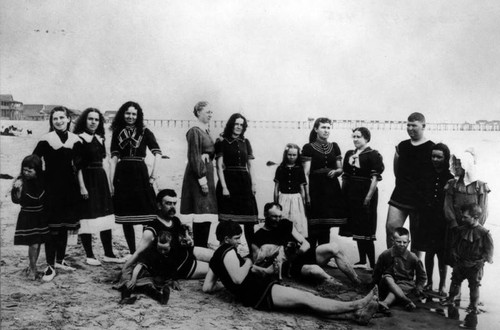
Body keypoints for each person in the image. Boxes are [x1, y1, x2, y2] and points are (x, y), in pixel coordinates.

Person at [203, 220, 379, 325]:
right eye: (236, 239)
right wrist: (249, 258)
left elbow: (207, 287)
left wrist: (260, 271)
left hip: (254, 292)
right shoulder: (228, 251)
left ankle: (356, 315)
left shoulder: (216, 258)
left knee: (305, 305)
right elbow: (238, 279)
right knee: (307, 299)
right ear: (226, 239)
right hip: (257, 292)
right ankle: (356, 305)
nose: (239, 242)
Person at [252, 203, 361, 286]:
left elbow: (305, 243)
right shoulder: (258, 236)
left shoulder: (285, 223)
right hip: (290, 266)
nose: (278, 220)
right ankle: (338, 286)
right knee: (315, 270)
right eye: (274, 217)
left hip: (300, 254)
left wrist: (298, 253)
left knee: (334, 247)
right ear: (265, 215)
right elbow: (257, 262)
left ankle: (357, 281)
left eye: (279, 216)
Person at [33, 106, 81, 282]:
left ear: (68, 119)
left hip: (70, 189)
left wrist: (83, 187)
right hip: (51, 189)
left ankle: (60, 260)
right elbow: (34, 163)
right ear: (51, 121)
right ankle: (50, 266)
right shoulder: (46, 140)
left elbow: (80, 166)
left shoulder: (76, 140)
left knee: (64, 227)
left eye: (62, 118)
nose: (59, 121)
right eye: (55, 119)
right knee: (52, 228)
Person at [122, 189, 213, 281]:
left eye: (174, 203)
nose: (172, 207)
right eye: (168, 203)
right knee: (216, 269)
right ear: (159, 205)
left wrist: (188, 238)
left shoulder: (175, 220)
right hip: (178, 266)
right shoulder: (152, 228)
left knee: (216, 256)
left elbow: (182, 239)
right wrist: (125, 269)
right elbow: (138, 253)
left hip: (185, 252)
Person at [73, 108, 124, 265]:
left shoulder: (100, 139)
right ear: (84, 120)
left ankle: (109, 253)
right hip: (87, 179)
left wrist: (110, 185)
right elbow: (77, 166)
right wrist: (82, 187)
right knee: (87, 217)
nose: (93, 122)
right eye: (90, 119)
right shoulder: (79, 139)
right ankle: (89, 255)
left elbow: (104, 163)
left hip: (100, 179)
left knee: (105, 218)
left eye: (96, 119)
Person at [110, 101, 162, 254]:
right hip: (123, 175)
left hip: (140, 174)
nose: (130, 117)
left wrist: (153, 176)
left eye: (134, 114)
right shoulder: (117, 131)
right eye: (127, 113)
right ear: (122, 114)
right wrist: (111, 182)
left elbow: (157, 153)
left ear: (138, 116)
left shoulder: (145, 131)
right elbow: (113, 158)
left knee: (147, 215)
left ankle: (144, 250)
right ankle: (133, 252)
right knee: (127, 217)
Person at [386, 113, 435, 253]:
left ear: (423, 126)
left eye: (414, 125)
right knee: (391, 229)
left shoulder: (431, 147)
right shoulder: (402, 146)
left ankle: (414, 269)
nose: (410, 128)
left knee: (417, 237)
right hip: (400, 194)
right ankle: (392, 263)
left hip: (421, 198)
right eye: (408, 125)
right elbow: (396, 171)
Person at [342, 127, 384, 270]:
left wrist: (368, 198)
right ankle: (361, 261)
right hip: (352, 193)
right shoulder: (350, 153)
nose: (355, 139)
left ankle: (372, 264)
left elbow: (374, 179)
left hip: (366, 192)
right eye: (353, 136)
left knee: (366, 228)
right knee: (357, 227)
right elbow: (346, 175)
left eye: (358, 136)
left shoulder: (373, 155)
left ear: (366, 138)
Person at [215, 113, 258, 253]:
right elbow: (219, 167)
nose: (239, 127)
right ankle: (225, 253)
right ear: (231, 125)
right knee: (227, 222)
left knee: (250, 221)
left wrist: (254, 184)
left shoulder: (246, 142)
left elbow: (250, 166)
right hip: (229, 182)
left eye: (241, 124)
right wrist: (224, 187)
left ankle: (253, 254)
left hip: (244, 183)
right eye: (236, 124)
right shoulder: (222, 141)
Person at [302, 117, 347, 247]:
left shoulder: (334, 146)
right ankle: (311, 256)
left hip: (331, 189)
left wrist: (337, 172)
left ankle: (322, 254)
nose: (326, 130)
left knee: (326, 224)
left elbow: (340, 168)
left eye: (328, 128)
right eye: (323, 127)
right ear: (316, 129)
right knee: (313, 223)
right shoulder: (309, 147)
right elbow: (306, 173)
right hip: (315, 188)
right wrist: (307, 194)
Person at [441, 204, 493, 314]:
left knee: (474, 286)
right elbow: (454, 245)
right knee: (455, 281)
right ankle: (450, 299)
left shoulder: (484, 233)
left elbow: (488, 251)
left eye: (465, 217)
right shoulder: (461, 230)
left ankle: (473, 306)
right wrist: (454, 254)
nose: (462, 219)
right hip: (460, 262)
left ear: (475, 217)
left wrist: (482, 261)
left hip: (475, 265)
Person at [180, 101, 218, 248]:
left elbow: (208, 152)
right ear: (198, 112)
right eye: (208, 112)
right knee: (200, 211)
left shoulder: (206, 130)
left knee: (206, 212)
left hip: (206, 173)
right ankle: (199, 247)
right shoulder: (194, 131)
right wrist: (202, 180)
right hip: (198, 176)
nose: (210, 114)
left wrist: (208, 155)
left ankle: (202, 245)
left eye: (211, 112)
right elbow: (194, 156)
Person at [417, 143, 453, 295]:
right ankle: (429, 282)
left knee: (441, 253)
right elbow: (419, 193)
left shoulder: (450, 177)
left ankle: (443, 285)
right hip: (427, 217)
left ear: (446, 158)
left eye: (439, 157)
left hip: (442, 220)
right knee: (429, 252)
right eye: (433, 156)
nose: (435, 159)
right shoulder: (425, 173)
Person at [11, 155, 49, 280]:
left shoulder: (42, 180)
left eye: (29, 171)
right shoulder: (20, 181)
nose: (26, 173)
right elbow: (16, 200)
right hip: (28, 215)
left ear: (37, 171)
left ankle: (32, 266)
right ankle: (33, 269)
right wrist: (17, 190)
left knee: (37, 243)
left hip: (40, 215)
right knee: (34, 244)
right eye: (24, 170)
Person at [372, 227, 426, 311]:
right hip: (387, 283)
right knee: (387, 277)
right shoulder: (385, 254)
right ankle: (406, 301)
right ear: (392, 240)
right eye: (398, 241)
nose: (402, 244)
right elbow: (377, 271)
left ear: (409, 242)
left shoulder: (413, 257)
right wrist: (374, 284)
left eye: (405, 242)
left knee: (398, 288)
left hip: (405, 285)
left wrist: (419, 288)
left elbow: (422, 276)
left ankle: (386, 303)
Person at [114, 231, 174, 305]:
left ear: (171, 246)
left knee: (148, 288)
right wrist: (133, 279)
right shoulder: (151, 251)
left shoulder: (172, 254)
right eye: (160, 248)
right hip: (136, 271)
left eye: (165, 249)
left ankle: (161, 298)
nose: (162, 251)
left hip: (146, 276)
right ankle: (125, 298)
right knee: (128, 283)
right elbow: (139, 265)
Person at [444, 149, 490, 229]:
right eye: (455, 164)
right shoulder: (452, 184)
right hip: (455, 227)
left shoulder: (480, 185)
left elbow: (483, 210)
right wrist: (453, 223)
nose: (456, 166)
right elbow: (448, 206)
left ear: (467, 165)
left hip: (473, 228)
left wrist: (476, 226)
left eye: (459, 164)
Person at [273, 143, 308, 237]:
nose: (292, 157)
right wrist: (275, 204)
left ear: (297, 156)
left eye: (294, 155)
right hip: (283, 198)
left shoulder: (299, 169)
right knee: (283, 221)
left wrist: (303, 202)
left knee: (296, 221)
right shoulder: (280, 169)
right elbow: (276, 187)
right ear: (285, 155)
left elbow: (302, 188)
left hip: (296, 199)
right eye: (289, 154)